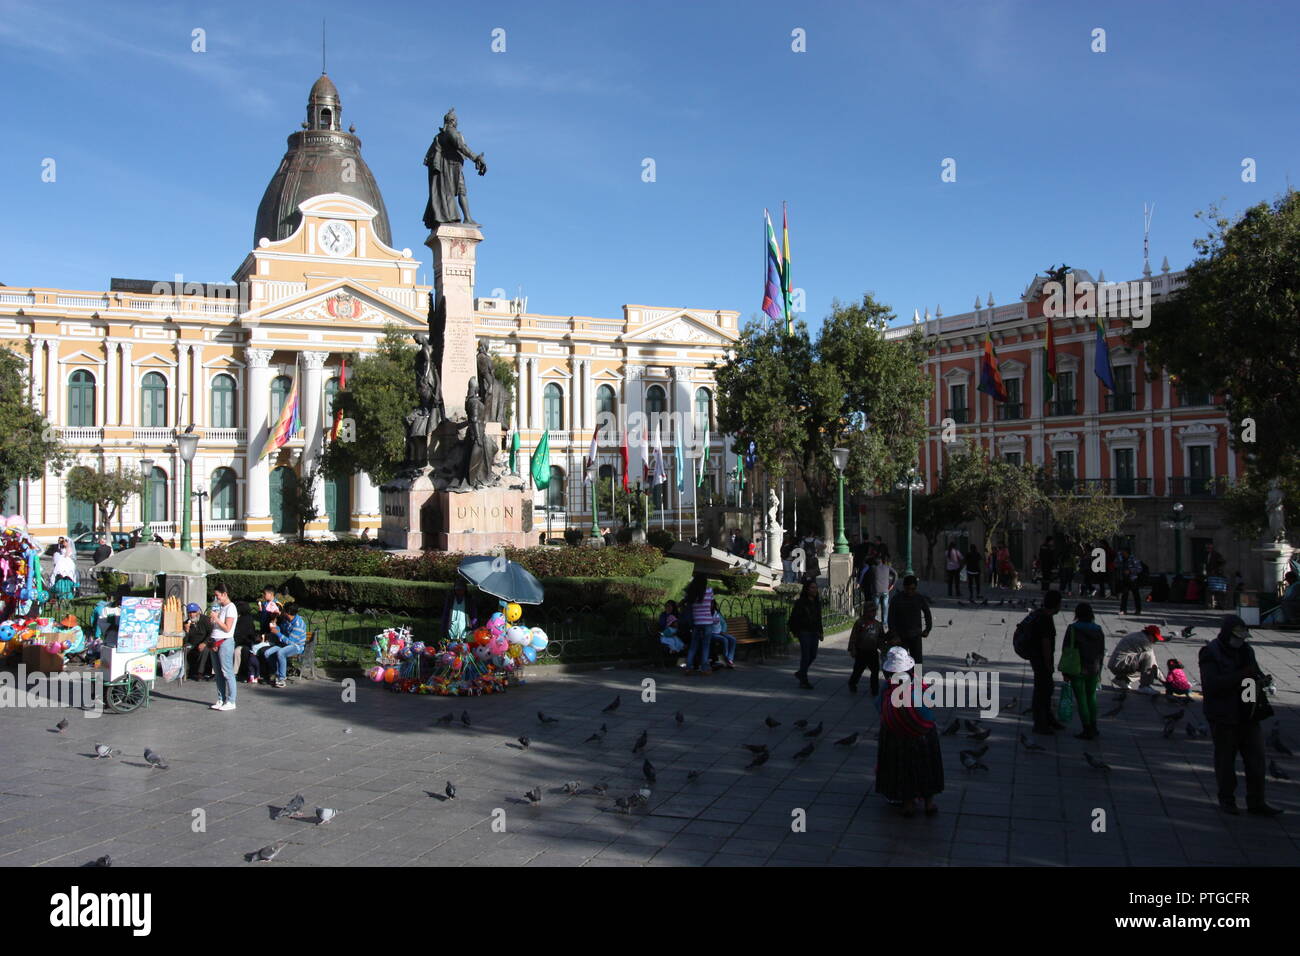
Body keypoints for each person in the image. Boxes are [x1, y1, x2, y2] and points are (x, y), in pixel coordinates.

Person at [1199, 615, 1281, 816]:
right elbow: (1212, 685)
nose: (1240, 640)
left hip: (1248, 714)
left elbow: (1253, 676)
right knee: (1226, 760)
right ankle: (1227, 800)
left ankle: (1257, 802)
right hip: (1223, 715)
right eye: (1237, 636)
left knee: (1256, 760)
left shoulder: (1246, 650)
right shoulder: (1211, 652)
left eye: (1243, 637)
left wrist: (1260, 682)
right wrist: (1240, 676)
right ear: (1227, 633)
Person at [875, 646, 943, 818]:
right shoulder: (919, 683)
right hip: (923, 734)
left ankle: (908, 803)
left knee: (903, 768)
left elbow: (878, 706)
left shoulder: (887, 687)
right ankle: (929, 802)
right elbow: (932, 702)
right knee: (927, 766)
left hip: (897, 735)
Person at [1058, 601, 1104, 739]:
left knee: (1081, 699)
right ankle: (1094, 726)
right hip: (1094, 667)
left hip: (1077, 668)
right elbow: (1101, 651)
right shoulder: (1098, 629)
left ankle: (1087, 728)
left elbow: (1066, 649)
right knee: (1092, 698)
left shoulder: (1073, 628)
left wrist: (1065, 672)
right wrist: (1100, 670)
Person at [1028, 589, 1063, 734]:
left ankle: (1048, 718)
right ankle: (1040, 723)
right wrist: (1048, 664)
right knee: (1042, 691)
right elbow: (1046, 643)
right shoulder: (1046, 619)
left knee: (1045, 689)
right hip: (1042, 660)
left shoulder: (1039, 614)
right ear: (1056, 605)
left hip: (1035, 658)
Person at [887, 575, 932, 665]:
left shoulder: (919, 598)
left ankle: (917, 679)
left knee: (918, 661)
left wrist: (927, 629)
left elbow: (927, 613)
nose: (910, 592)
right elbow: (891, 618)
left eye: (913, 589)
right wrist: (894, 634)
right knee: (900, 661)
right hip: (901, 635)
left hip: (916, 635)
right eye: (908, 589)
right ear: (904, 587)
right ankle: (902, 678)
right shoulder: (896, 599)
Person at [260, 603, 307, 688]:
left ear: (288, 612)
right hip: (284, 644)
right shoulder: (286, 620)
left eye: (284, 611)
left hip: (296, 646)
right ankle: (275, 673)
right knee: (267, 653)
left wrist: (278, 634)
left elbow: (291, 642)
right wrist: (275, 628)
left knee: (281, 653)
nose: (282, 612)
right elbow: (281, 629)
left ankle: (282, 679)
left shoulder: (298, 624)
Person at [789, 579, 823, 690]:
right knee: (806, 656)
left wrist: (820, 632)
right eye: (812, 588)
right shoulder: (801, 602)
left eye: (816, 588)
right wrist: (795, 631)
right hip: (804, 632)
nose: (815, 590)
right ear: (807, 589)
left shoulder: (817, 602)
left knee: (813, 655)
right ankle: (804, 680)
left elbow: (819, 619)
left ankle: (801, 672)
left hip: (814, 631)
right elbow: (794, 618)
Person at [1108, 625, 1164, 693]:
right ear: (1150, 635)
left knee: (1144, 665)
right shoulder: (1144, 641)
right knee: (1148, 656)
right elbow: (1153, 665)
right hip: (1121, 664)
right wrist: (1165, 681)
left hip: (1115, 663)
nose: (1155, 641)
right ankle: (1144, 686)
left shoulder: (1137, 635)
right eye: (1155, 638)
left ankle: (1122, 680)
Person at [209, 585, 238, 711]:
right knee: (218, 672)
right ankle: (221, 699)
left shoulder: (231, 608)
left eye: (218, 595)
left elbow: (227, 628)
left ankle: (231, 700)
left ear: (225, 594)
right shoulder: (222, 607)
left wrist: (216, 619)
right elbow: (219, 625)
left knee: (227, 672)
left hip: (225, 642)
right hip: (215, 641)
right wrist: (214, 620)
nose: (217, 598)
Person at [847, 601, 884, 695]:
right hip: (861, 651)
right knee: (858, 670)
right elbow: (853, 637)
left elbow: (881, 638)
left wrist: (883, 648)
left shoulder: (878, 625)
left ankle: (874, 689)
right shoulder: (859, 623)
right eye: (870, 611)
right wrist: (852, 649)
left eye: (874, 611)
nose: (873, 613)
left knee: (875, 671)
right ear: (865, 612)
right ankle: (852, 683)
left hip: (873, 651)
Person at [683, 575, 716, 676]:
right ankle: (704, 668)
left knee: (693, 646)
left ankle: (688, 667)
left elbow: (687, 605)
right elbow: (711, 604)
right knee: (705, 646)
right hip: (707, 622)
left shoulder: (691, 594)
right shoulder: (709, 591)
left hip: (697, 622)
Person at [183, 602, 214, 680]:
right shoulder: (186, 623)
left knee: (205, 649)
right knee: (185, 649)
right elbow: (185, 641)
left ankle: (200, 673)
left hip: (204, 642)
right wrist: (186, 631)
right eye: (190, 612)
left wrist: (204, 643)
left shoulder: (205, 619)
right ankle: (186, 672)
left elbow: (211, 633)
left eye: (194, 612)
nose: (192, 614)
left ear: (198, 612)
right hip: (192, 643)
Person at [49, 537, 78, 601]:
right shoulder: (62, 548)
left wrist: (62, 557)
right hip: (62, 560)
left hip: (66, 561)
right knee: (57, 571)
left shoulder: (69, 548)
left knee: (67, 572)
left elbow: (66, 555)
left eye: (65, 542)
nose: (64, 543)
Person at [1116, 548, 1143, 614]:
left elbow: (1139, 569)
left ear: (1127, 553)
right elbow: (1116, 563)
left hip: (1133, 579)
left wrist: (1130, 571)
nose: (1123, 554)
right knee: (1124, 595)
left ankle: (1138, 610)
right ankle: (1123, 610)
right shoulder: (1121, 559)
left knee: (1136, 595)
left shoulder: (1133, 559)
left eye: (1124, 553)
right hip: (1125, 579)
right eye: (1122, 553)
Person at [871, 556, 897, 623]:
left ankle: (874, 621)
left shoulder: (873, 568)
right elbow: (895, 574)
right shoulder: (887, 567)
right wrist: (892, 585)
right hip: (885, 590)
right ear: (882, 561)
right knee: (885, 607)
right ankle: (884, 622)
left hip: (876, 590)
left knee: (875, 608)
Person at [710, 600, 736, 669]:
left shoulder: (717, 613)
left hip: (720, 632)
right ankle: (727, 659)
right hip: (712, 634)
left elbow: (723, 623)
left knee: (732, 639)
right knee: (724, 640)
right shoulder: (706, 613)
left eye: (712, 603)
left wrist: (723, 631)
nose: (711, 605)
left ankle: (730, 659)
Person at [1203, 543, 1228, 610]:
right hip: (1209, 575)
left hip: (1216, 575)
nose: (1207, 549)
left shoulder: (1216, 554)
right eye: (1207, 547)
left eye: (1209, 547)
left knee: (1218, 590)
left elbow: (1223, 562)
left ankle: (1219, 605)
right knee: (1209, 590)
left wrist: (1216, 569)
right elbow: (1205, 564)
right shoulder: (1206, 555)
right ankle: (1210, 604)